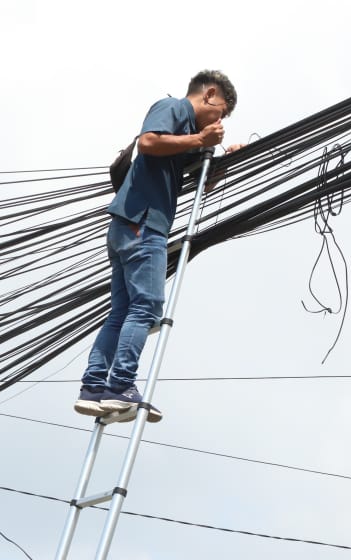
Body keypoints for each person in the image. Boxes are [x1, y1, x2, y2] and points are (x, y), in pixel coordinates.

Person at [75, 70, 242, 422]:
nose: (221, 119)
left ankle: (93, 387)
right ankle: (120, 386)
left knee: (122, 311)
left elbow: (198, 182)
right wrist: (200, 139)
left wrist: (222, 159)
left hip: (127, 225)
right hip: (143, 223)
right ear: (210, 94)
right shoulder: (173, 109)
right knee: (148, 307)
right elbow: (148, 143)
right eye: (222, 111)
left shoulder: (186, 133)